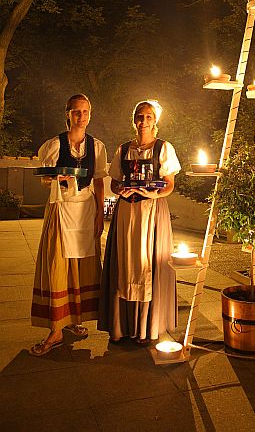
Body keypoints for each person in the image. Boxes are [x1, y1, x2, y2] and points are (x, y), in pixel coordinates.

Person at [30, 94, 107, 356]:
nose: (81, 116)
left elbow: (98, 181)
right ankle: (55, 328)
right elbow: (44, 179)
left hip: (86, 209)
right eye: (76, 111)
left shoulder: (97, 147)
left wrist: (99, 214)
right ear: (68, 114)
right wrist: (56, 178)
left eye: (85, 111)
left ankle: (76, 319)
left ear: (90, 114)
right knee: (58, 263)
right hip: (61, 207)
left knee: (82, 265)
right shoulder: (54, 144)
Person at [98, 100, 180, 344]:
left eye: (148, 116)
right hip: (127, 212)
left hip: (152, 211)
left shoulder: (163, 148)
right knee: (124, 262)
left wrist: (154, 193)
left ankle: (145, 328)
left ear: (156, 121)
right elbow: (114, 182)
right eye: (140, 116)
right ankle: (121, 327)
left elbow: (169, 185)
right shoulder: (123, 149)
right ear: (134, 120)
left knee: (147, 262)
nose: (143, 121)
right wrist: (120, 189)